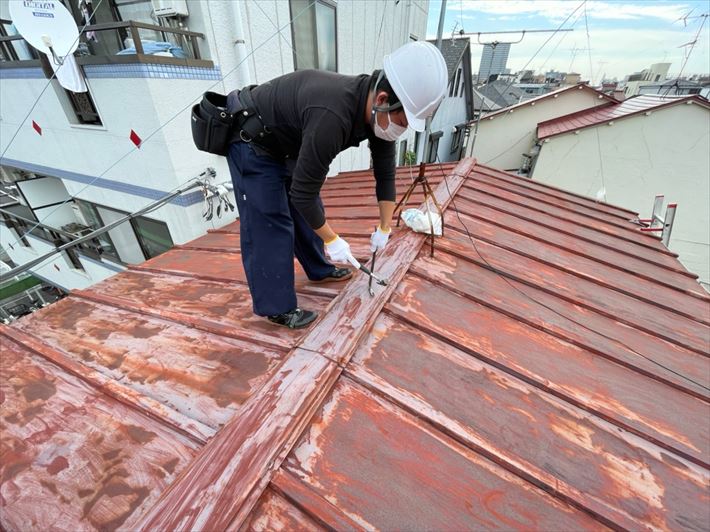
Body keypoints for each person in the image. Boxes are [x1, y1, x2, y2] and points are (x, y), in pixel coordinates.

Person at [226, 41, 447, 329]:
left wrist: (385, 227)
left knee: (309, 208)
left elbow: (385, 174)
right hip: (251, 138)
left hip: (284, 141)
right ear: (382, 99)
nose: (402, 129)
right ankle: (276, 307)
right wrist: (333, 239)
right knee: (271, 221)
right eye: (403, 121)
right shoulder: (333, 115)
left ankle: (318, 268)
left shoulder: (374, 112)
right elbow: (301, 193)